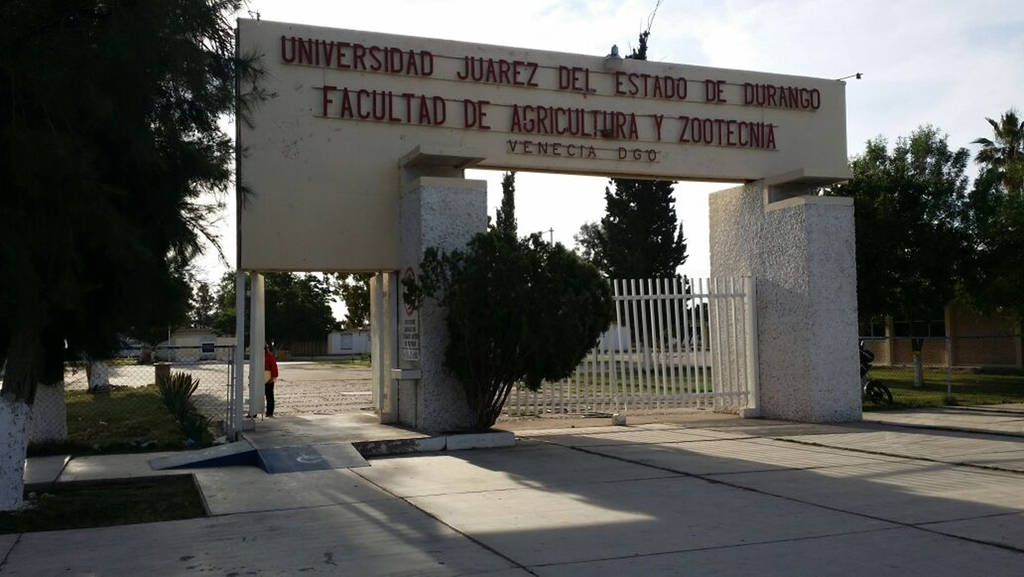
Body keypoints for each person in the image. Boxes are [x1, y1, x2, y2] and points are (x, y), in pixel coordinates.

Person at [264, 344, 279, 417]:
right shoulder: (269, 356)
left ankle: (269, 412)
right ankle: (269, 412)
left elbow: (274, 368)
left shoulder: (269, 357)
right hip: (263, 379)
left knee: (269, 396)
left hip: (268, 379)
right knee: (269, 396)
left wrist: (272, 378)